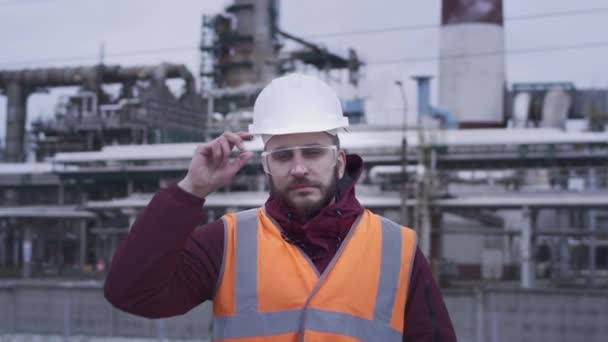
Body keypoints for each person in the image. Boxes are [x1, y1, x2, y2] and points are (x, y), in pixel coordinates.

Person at [104, 73, 457, 341]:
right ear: (267, 165)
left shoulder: (397, 249)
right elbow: (132, 293)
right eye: (283, 155)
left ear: (339, 161)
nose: (299, 167)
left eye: (314, 152)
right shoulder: (226, 242)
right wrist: (190, 191)